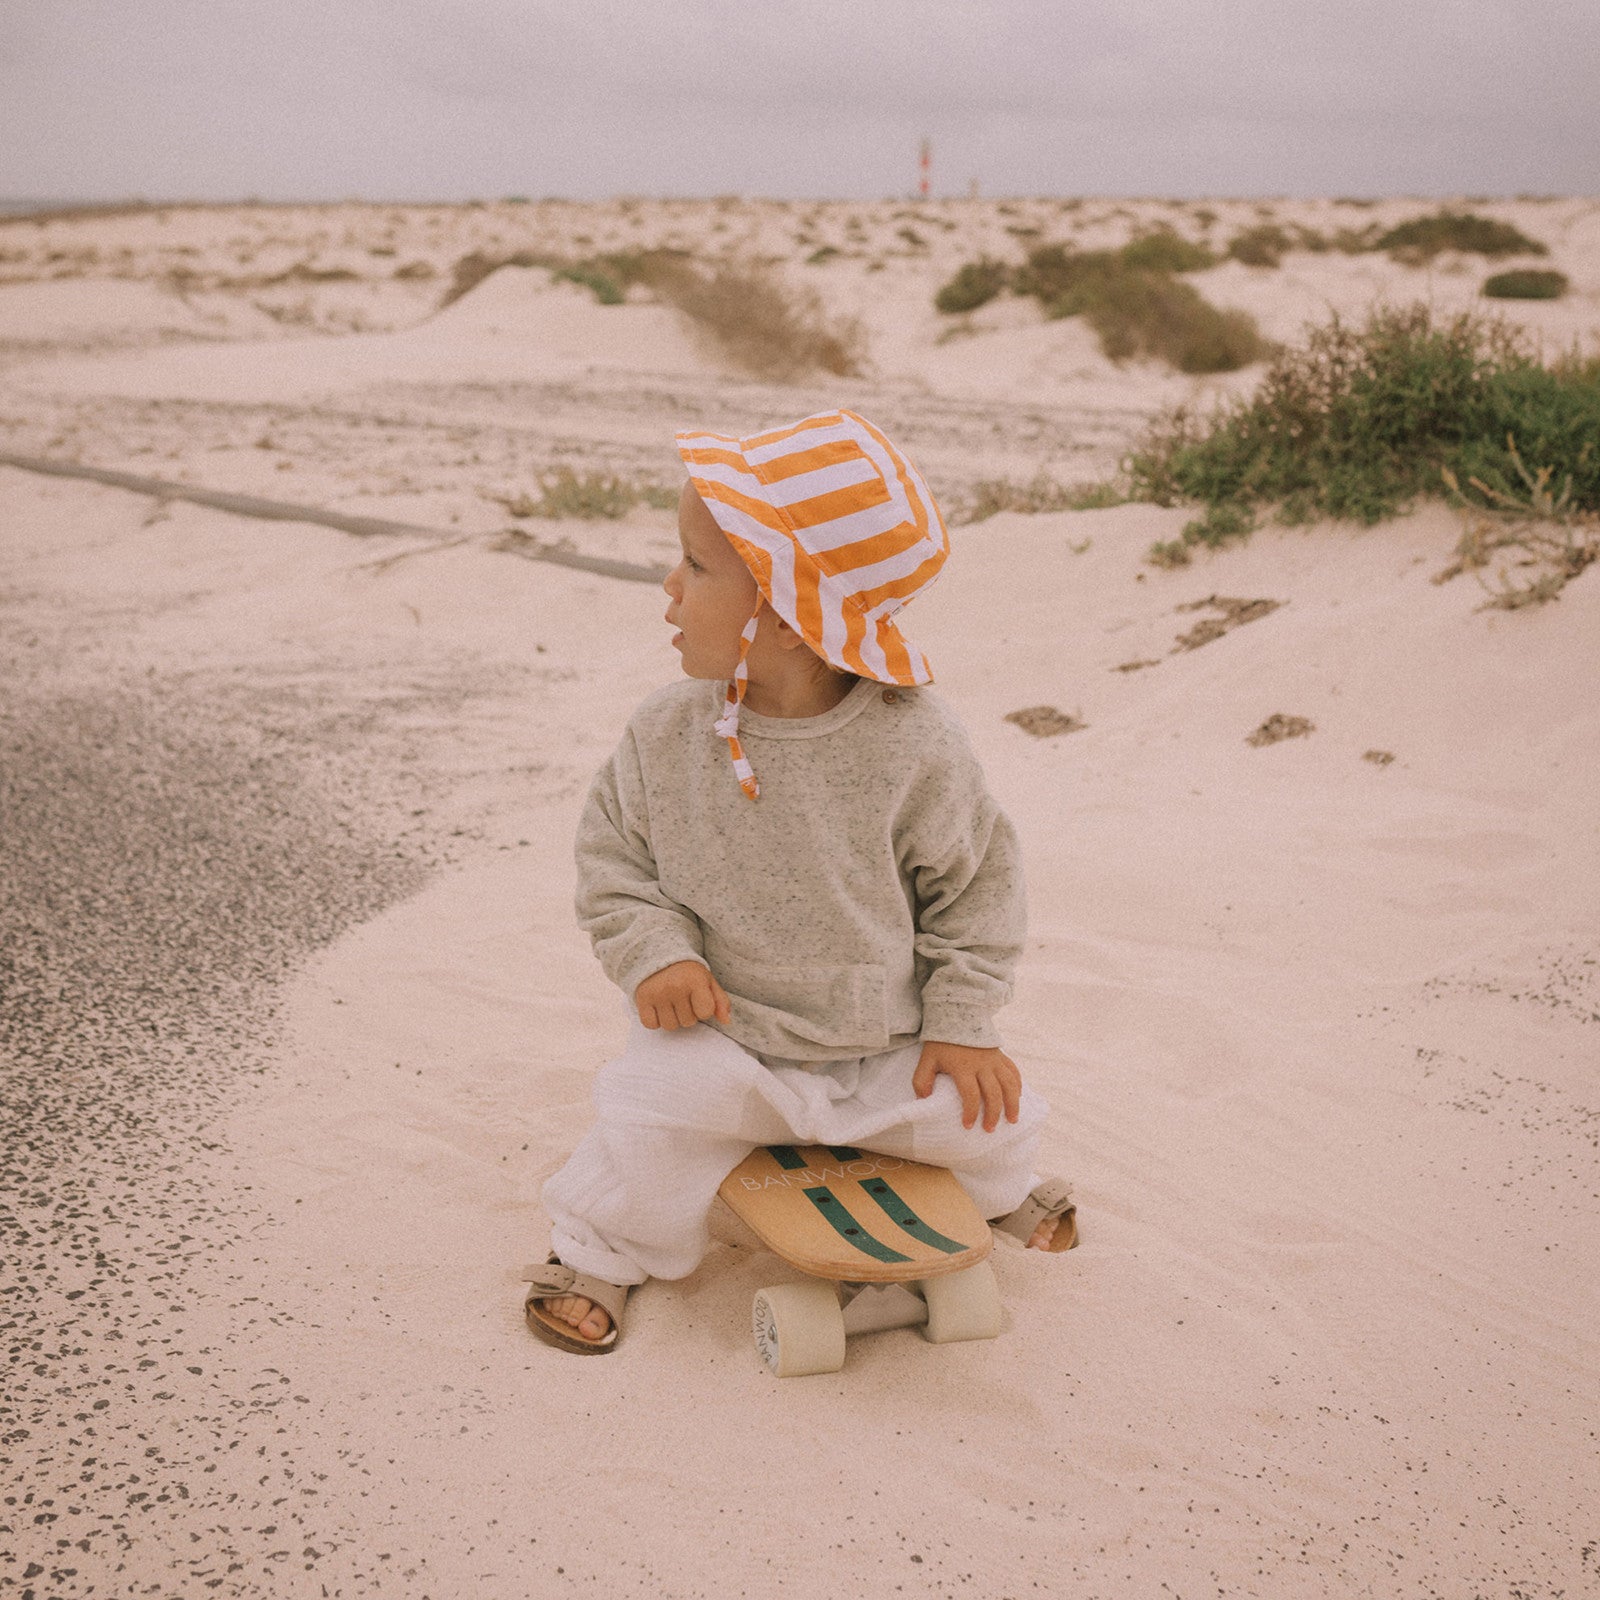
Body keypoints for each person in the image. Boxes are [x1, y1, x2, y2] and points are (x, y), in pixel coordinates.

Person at [523, 409, 1076, 1353]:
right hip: (725, 1041)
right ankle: (601, 1251)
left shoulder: (915, 743)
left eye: (696, 567)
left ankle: (996, 1189)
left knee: (989, 1112)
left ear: (786, 614)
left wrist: (961, 1021)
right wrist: (655, 954)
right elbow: (613, 861)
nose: (668, 588)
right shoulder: (665, 734)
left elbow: (978, 892)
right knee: (647, 1112)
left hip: (883, 1045)